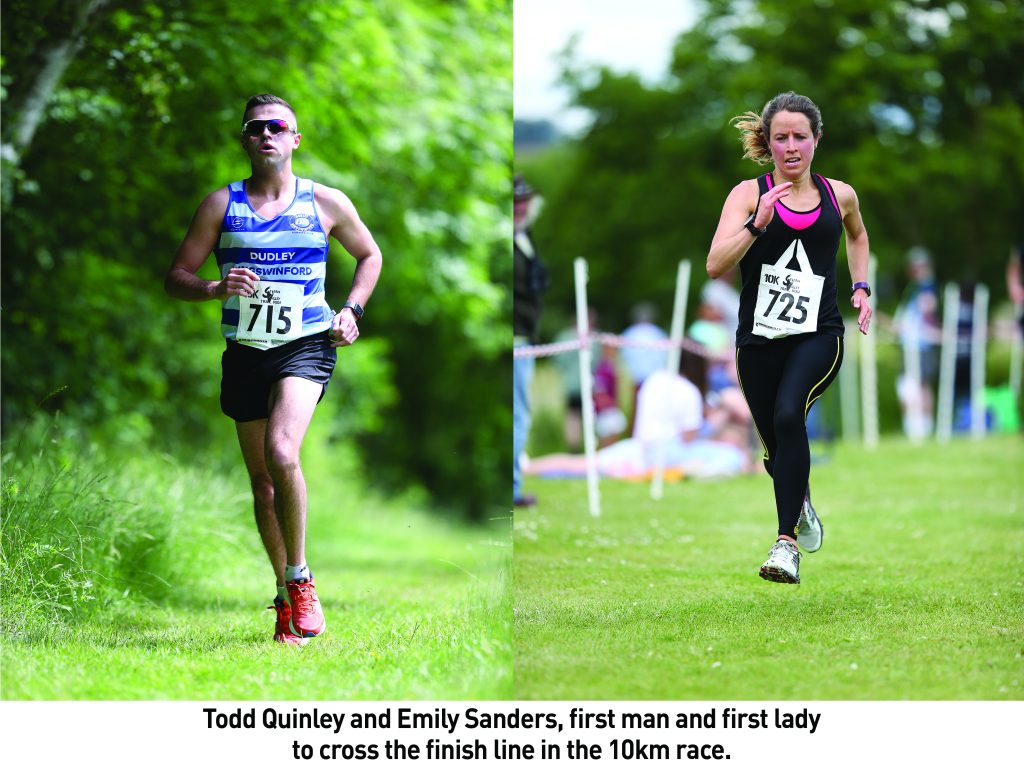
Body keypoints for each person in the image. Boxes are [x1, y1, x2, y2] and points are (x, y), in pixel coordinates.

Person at [164, 94, 382, 645]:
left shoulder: (325, 202)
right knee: (263, 484)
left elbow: (370, 255)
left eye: (277, 126)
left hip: (306, 346)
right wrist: (215, 287)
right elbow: (176, 277)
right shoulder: (220, 206)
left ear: (294, 139)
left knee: (284, 454)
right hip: (245, 351)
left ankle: (301, 578)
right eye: (256, 128)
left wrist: (351, 310)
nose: (266, 134)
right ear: (245, 140)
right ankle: (284, 596)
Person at [707, 91, 872, 584]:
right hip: (757, 340)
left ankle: (785, 546)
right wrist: (756, 225)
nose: (792, 146)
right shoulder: (747, 194)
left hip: (819, 334)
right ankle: (799, 501)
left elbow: (858, 236)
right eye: (782, 137)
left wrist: (861, 286)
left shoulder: (839, 194)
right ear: (770, 143)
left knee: (787, 412)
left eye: (801, 136)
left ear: (816, 140)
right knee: (778, 448)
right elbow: (716, 265)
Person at [513, 174, 548, 507]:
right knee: (518, 415)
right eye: (515, 201)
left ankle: (514, 486)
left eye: (524, 200)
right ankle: (511, 489)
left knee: (521, 413)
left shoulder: (526, 237)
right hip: (515, 338)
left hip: (526, 334)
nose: (521, 206)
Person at [893, 247, 941, 438]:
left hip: (922, 343)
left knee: (921, 384)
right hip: (910, 343)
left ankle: (924, 425)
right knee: (908, 383)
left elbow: (928, 306)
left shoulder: (928, 285)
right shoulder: (914, 288)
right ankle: (913, 424)